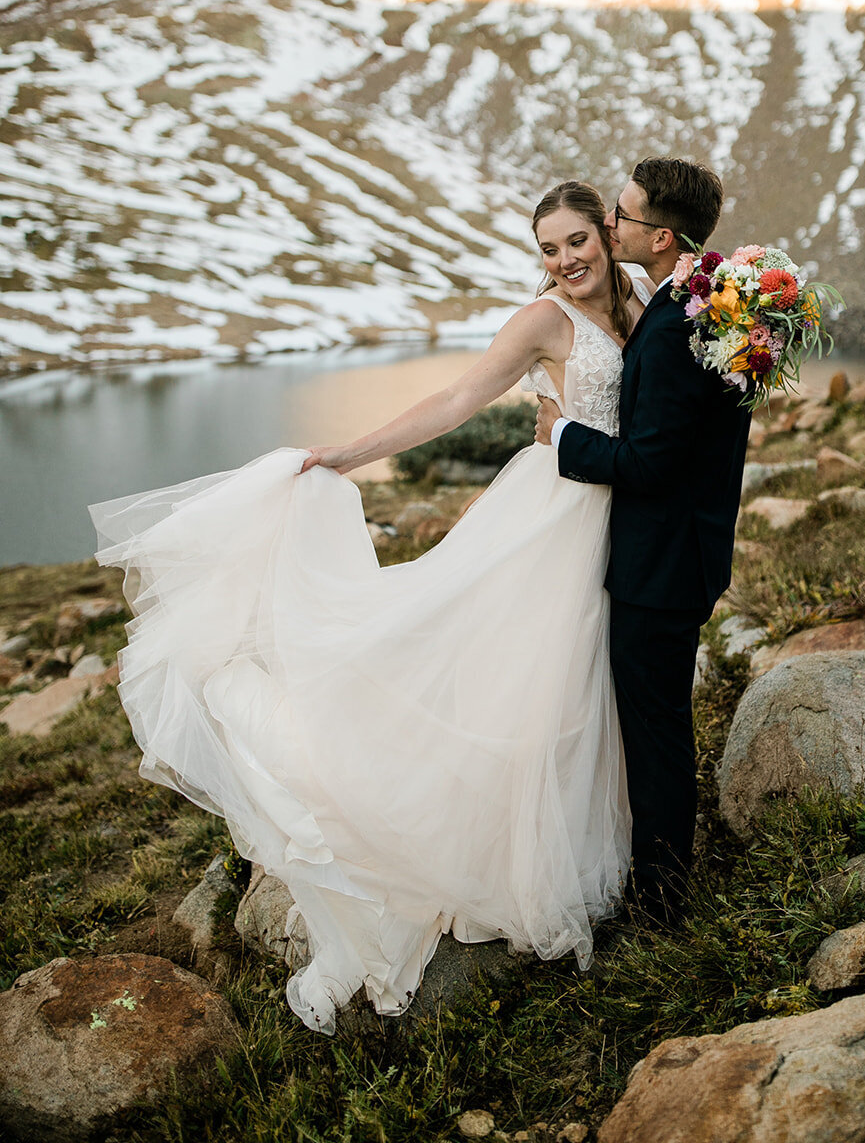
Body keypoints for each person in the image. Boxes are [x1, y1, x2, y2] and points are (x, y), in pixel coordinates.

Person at [91, 181, 650, 1032]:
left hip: (612, 510)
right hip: (550, 521)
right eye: (548, 247)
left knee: (578, 691)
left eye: (576, 241)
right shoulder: (542, 321)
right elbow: (457, 402)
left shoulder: (642, 301)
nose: (564, 260)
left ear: (607, 237)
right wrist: (347, 454)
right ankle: (480, 855)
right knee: (529, 683)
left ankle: (562, 851)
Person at [535, 158, 751, 925]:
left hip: (657, 569)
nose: (608, 225)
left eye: (620, 217)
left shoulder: (668, 331)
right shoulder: (711, 302)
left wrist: (562, 435)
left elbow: (650, 464)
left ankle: (661, 900)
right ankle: (659, 874)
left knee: (655, 735)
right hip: (691, 552)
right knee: (660, 723)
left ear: (661, 237)